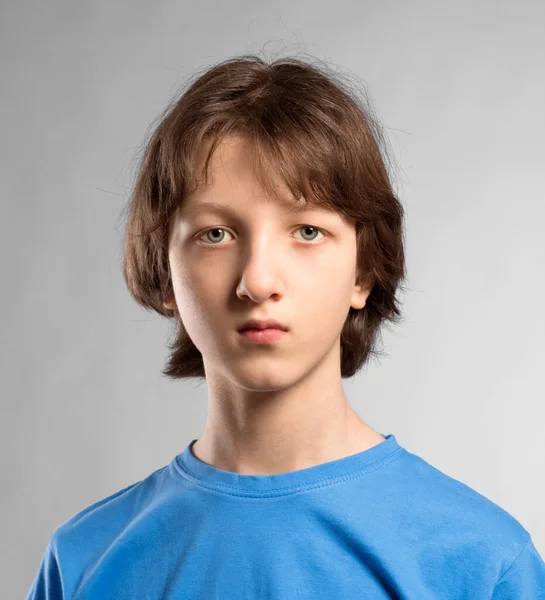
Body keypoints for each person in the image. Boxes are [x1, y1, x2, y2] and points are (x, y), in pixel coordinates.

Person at [27, 53, 545, 599]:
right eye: (216, 234)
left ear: (364, 271)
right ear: (164, 271)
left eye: (307, 231)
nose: (258, 281)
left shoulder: (481, 563)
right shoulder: (84, 559)